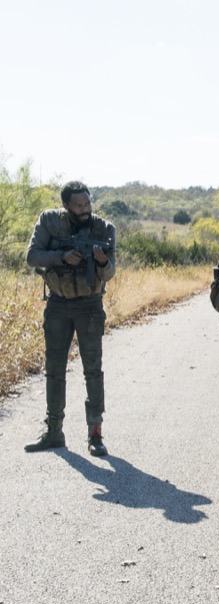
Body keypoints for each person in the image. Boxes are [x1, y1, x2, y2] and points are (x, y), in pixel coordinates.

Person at [25, 181, 116, 457]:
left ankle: (95, 434)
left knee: (93, 370)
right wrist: (62, 257)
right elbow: (32, 256)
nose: (85, 209)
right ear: (65, 205)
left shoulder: (104, 229)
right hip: (58, 304)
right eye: (78, 205)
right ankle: (54, 432)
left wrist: (100, 262)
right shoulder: (49, 221)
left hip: (89, 304)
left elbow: (110, 272)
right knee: (54, 368)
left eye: (87, 203)